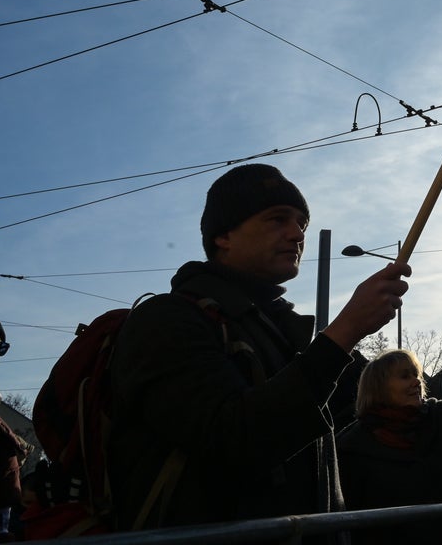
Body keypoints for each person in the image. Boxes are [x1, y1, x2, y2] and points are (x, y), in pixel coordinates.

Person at [108, 163, 411, 531]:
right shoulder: (166, 320)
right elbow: (232, 439)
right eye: (277, 219)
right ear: (224, 236)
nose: (297, 234)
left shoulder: (280, 331)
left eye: (302, 223)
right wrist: (344, 332)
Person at [337, 307, 442, 545]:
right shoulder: (352, 446)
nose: (416, 381)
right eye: (404, 376)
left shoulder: (440, 419)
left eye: (416, 374)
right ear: (378, 387)